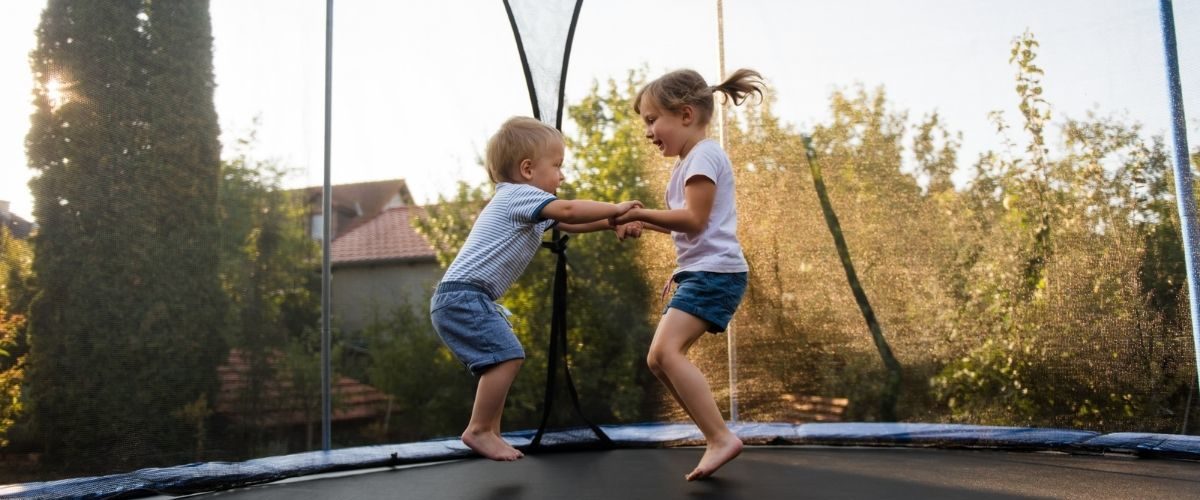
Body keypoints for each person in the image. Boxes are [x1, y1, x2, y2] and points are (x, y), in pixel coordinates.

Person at [430, 116, 643, 461]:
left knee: (500, 359)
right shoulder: (517, 196)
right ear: (527, 169)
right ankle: (480, 429)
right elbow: (571, 210)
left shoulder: (523, 203)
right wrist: (617, 208)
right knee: (508, 356)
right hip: (463, 296)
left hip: (464, 297)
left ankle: (489, 430)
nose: (562, 175)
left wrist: (611, 223)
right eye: (557, 166)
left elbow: (571, 222)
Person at [612, 68, 764, 480]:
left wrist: (641, 212)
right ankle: (716, 436)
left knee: (664, 354)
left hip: (716, 274)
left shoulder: (704, 155)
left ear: (684, 114)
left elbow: (694, 220)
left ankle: (720, 437)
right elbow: (691, 224)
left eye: (650, 119)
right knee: (658, 360)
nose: (647, 132)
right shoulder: (687, 164)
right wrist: (646, 223)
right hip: (703, 273)